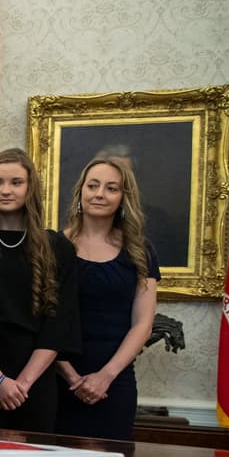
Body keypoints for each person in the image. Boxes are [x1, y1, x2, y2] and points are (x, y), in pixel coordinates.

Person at [55, 157, 160, 440]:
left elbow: (143, 324)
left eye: (111, 188)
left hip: (115, 383)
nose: (99, 194)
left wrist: (105, 376)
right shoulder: (54, 246)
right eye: (93, 186)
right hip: (57, 381)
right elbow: (43, 321)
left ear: (124, 197)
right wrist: (73, 378)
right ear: (80, 191)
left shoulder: (140, 251)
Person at [0, 148, 80, 433]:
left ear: (30, 187)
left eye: (16, 182)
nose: (5, 190)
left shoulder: (58, 247)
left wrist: (22, 384)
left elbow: (58, 324)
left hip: (36, 379)